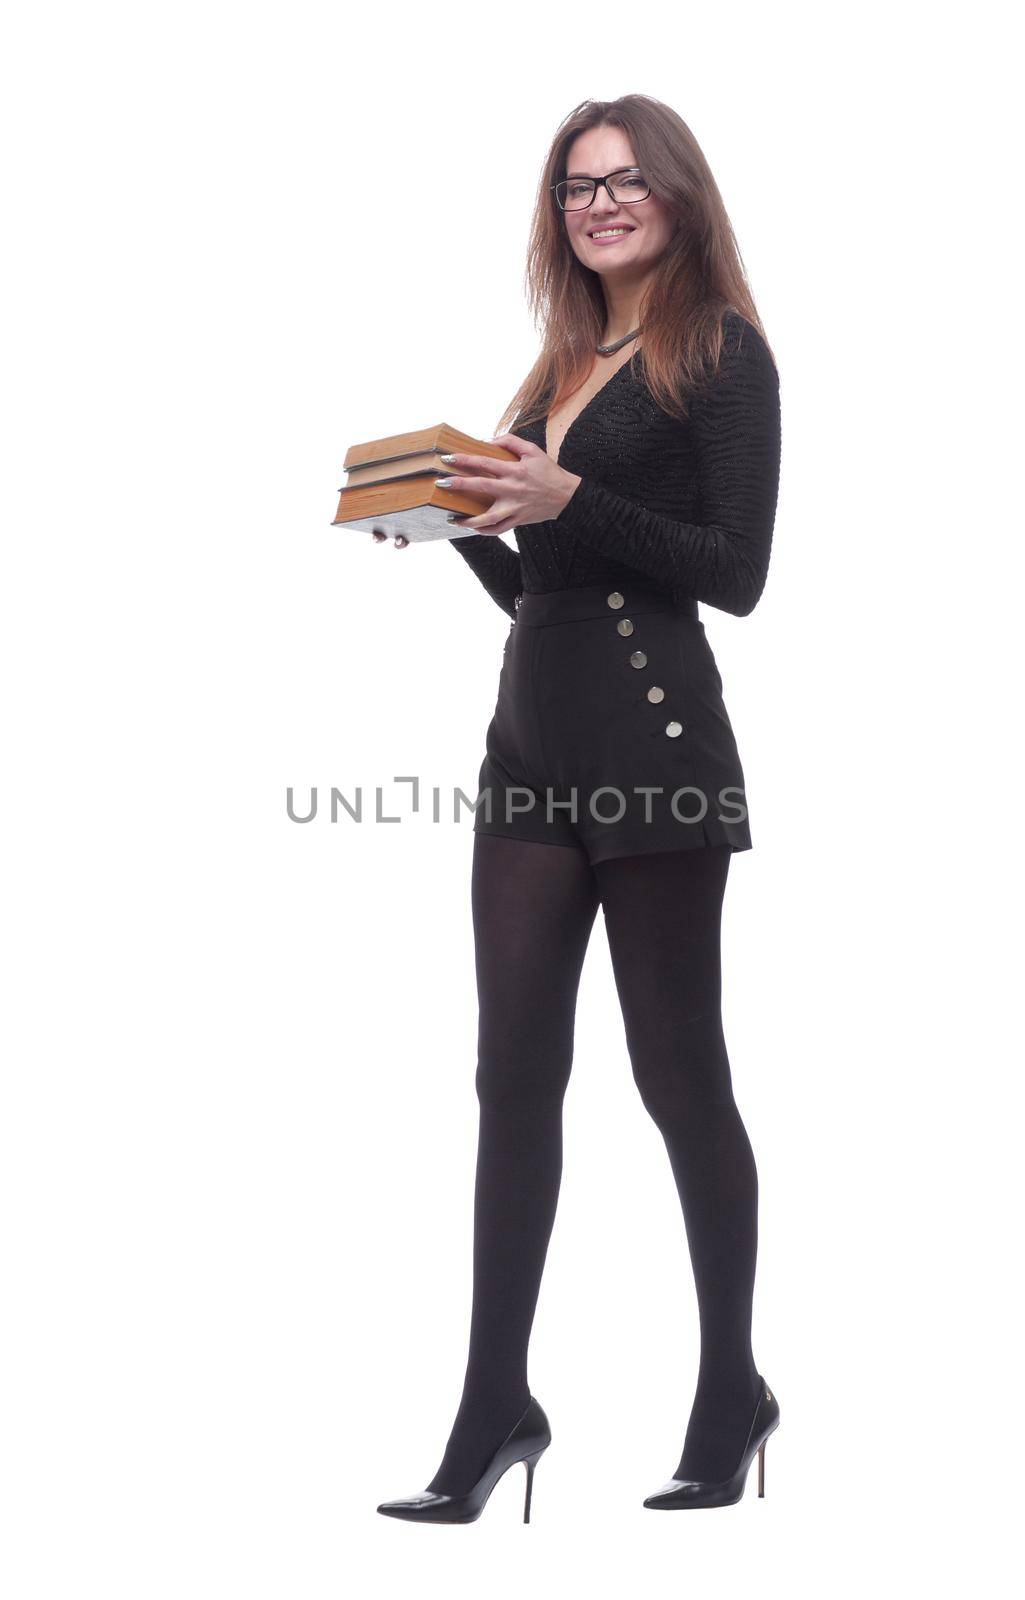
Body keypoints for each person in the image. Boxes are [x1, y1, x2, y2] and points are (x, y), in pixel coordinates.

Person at [373, 93, 782, 1523]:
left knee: (676, 1076)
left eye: (623, 181)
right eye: (573, 186)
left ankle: (728, 1387)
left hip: (654, 734)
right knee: (509, 1081)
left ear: (675, 193)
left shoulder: (720, 352)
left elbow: (732, 570)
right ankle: (494, 1404)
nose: (597, 203)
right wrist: (465, 524)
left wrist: (562, 498)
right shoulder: (555, 363)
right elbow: (540, 572)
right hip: (530, 739)